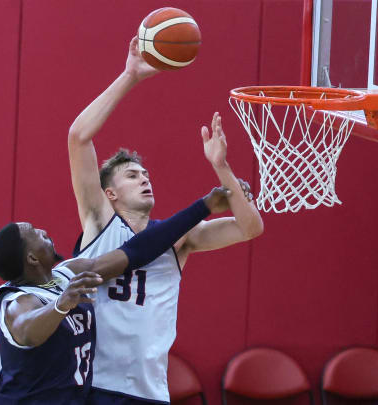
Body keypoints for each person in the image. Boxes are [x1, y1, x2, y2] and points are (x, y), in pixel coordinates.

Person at [67, 36, 263, 404]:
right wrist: (130, 76)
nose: (144, 178)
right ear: (109, 193)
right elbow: (78, 137)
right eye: (131, 175)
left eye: (145, 174)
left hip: (151, 390)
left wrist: (222, 168)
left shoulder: (178, 238)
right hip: (96, 386)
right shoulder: (98, 220)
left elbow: (250, 228)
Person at [0, 188, 230, 405]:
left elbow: (135, 251)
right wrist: (60, 305)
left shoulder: (67, 274)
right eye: (34, 232)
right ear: (32, 258)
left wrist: (204, 206)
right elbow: (26, 331)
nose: (42, 230)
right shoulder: (18, 301)